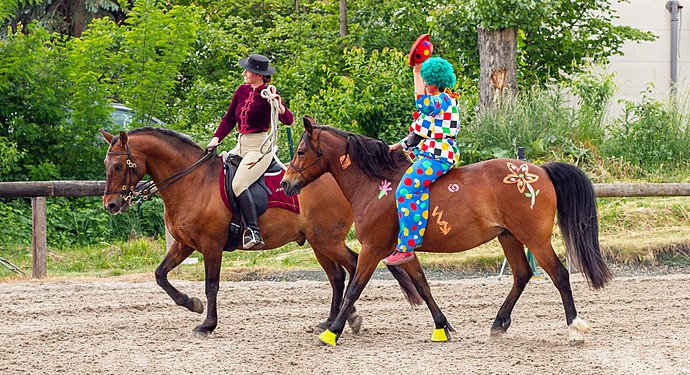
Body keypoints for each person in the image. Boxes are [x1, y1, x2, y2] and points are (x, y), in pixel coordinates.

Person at [207, 53, 294, 249]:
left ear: (258, 74)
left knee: (239, 183)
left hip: (260, 148)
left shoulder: (269, 93)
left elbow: (288, 120)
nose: (244, 73)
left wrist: (279, 106)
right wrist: (215, 139)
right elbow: (229, 119)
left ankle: (253, 231)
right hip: (241, 145)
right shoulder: (241, 91)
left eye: (248, 70)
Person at [383, 57, 460, 265]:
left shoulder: (444, 99)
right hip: (428, 152)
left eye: (427, 79)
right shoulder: (437, 98)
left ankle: (407, 247)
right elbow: (419, 132)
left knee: (406, 190)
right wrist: (397, 146)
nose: (424, 83)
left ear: (436, 80)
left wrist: (416, 73)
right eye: (423, 79)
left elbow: (423, 105)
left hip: (438, 155)